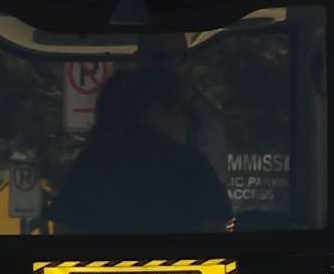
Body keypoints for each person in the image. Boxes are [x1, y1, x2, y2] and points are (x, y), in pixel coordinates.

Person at [50, 68, 232, 234]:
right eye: (181, 111)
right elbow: (215, 232)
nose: (185, 122)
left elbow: (65, 230)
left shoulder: (90, 166)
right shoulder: (192, 167)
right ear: (155, 112)